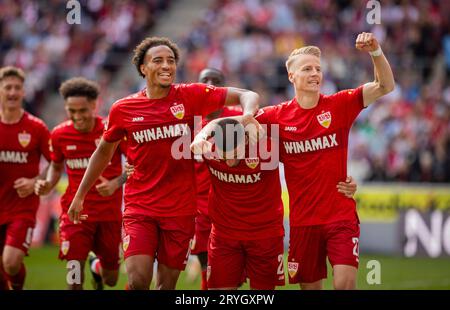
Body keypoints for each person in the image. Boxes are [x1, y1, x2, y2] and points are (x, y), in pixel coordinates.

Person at [67, 37, 261, 290]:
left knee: (166, 287)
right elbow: (103, 153)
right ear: (143, 68)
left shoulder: (191, 95)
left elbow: (248, 95)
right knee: (138, 281)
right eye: (158, 60)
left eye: (171, 60)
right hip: (140, 208)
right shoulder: (123, 108)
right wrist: (80, 195)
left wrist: (247, 116)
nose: (166, 65)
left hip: (180, 211)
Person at [255, 32, 395, 289]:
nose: (314, 73)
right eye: (307, 68)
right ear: (291, 76)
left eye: (318, 69)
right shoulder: (274, 117)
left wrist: (375, 51)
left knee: (344, 284)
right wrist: (206, 135)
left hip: (340, 217)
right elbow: (239, 127)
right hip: (303, 222)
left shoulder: (339, 105)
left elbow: (386, 85)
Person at [34, 77, 126, 290]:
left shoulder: (111, 131)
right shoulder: (59, 134)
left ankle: (96, 267)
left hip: (109, 215)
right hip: (75, 214)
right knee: (74, 278)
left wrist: (116, 183)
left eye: (82, 110)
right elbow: (56, 167)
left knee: (111, 279)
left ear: (95, 105)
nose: (77, 117)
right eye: (71, 111)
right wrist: (48, 184)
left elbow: (135, 165)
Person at [191, 68, 242, 290]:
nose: (210, 83)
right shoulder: (188, 122)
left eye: (216, 80)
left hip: (233, 206)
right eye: (205, 80)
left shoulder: (240, 118)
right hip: (201, 208)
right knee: (208, 267)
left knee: (233, 275)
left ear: (225, 86)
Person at [0, 66, 51, 290]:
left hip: (22, 207)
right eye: (7, 87)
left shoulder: (36, 127)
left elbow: (55, 162)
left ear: (23, 92)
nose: (12, 92)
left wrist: (35, 182)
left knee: (11, 263)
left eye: (17, 88)